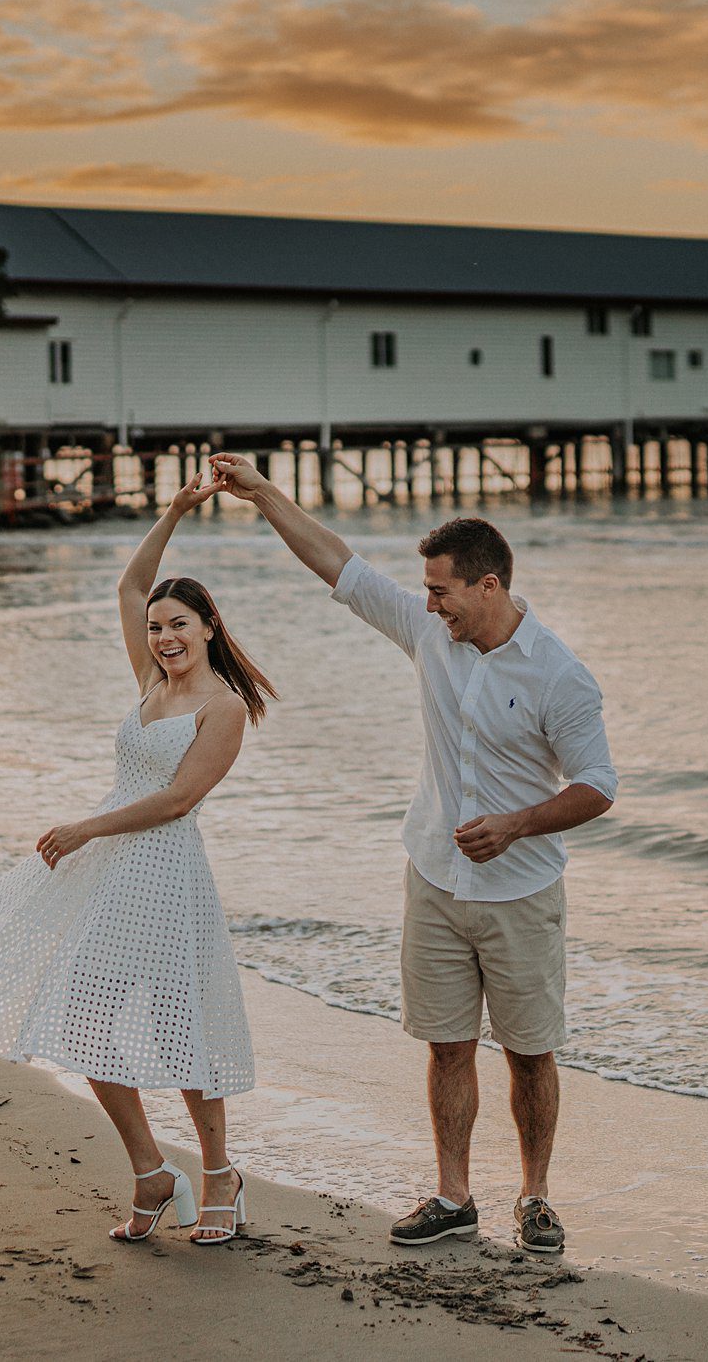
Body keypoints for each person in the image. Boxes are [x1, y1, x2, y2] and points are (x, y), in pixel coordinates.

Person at [208, 453, 615, 1257]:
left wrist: (518, 823)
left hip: (520, 891)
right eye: (426, 591)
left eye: (441, 590)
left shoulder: (559, 676)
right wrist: (262, 495)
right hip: (432, 876)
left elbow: (598, 785)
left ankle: (534, 1197)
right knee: (447, 1043)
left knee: (530, 1051)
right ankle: (453, 1195)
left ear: (487, 587)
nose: (428, 603)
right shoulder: (431, 636)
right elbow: (338, 563)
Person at [0, 472, 273, 1245]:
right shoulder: (151, 681)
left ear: (209, 625)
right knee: (83, 1021)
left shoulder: (223, 709)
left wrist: (87, 826)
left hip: (166, 875)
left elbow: (179, 800)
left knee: (184, 1032)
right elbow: (130, 581)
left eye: (178, 625)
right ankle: (151, 1172)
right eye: (155, 629)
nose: (163, 639)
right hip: (111, 876)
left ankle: (220, 1176)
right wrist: (176, 509)